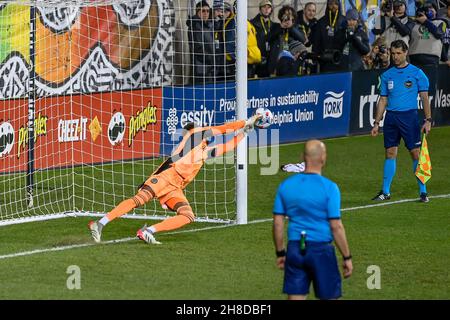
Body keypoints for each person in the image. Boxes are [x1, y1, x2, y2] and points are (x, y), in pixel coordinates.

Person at [88, 115, 262, 244]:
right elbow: (225, 128)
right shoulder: (195, 134)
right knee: (138, 200)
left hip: (175, 187)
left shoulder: (203, 151)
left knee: (188, 216)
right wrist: (247, 121)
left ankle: (148, 231)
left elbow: (226, 146)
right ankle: (100, 223)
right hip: (166, 176)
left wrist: (245, 133)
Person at [273, 140, 352, 300]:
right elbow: (336, 226)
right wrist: (347, 257)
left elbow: (278, 223)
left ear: (302, 157)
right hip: (321, 250)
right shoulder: (330, 188)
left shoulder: (286, 186)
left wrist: (281, 252)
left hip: (296, 249)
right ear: (323, 158)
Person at [371, 39, 432, 203]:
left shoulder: (417, 73)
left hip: (409, 117)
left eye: (398, 53)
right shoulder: (386, 75)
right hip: (391, 118)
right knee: (390, 153)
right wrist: (377, 123)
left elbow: (424, 97)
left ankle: (423, 192)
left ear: (406, 53)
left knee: (415, 153)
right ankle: (385, 191)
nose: (395, 57)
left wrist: (428, 120)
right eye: (393, 53)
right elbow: (382, 100)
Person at [267, 5, 306, 76]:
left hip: (293, 64)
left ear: (293, 17)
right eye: (285, 14)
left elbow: (302, 39)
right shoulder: (275, 26)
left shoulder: (298, 27)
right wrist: (281, 27)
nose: (287, 17)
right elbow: (269, 38)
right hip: (277, 65)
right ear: (281, 16)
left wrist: (291, 27)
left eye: (289, 15)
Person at [408, 0, 446, 68]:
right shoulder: (414, 23)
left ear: (436, 10)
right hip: (414, 55)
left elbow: (439, 34)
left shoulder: (441, 22)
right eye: (427, 9)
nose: (429, 10)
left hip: (431, 56)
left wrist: (425, 21)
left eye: (431, 8)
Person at [311, 0, 345, 73]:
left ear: (339, 5)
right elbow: (316, 42)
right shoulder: (321, 22)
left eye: (336, 3)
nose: (333, 6)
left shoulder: (344, 21)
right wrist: (316, 57)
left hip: (341, 61)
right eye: (331, 4)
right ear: (327, 5)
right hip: (325, 62)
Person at [186, 1, 215, 84]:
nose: (206, 13)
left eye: (208, 11)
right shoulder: (195, 26)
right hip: (201, 69)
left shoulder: (208, 25)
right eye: (203, 11)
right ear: (197, 12)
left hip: (210, 67)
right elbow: (198, 48)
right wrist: (211, 59)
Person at [251, 0, 275, 78]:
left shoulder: (273, 25)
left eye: (268, 7)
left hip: (269, 58)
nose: (266, 9)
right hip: (256, 58)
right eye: (264, 7)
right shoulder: (252, 23)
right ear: (260, 9)